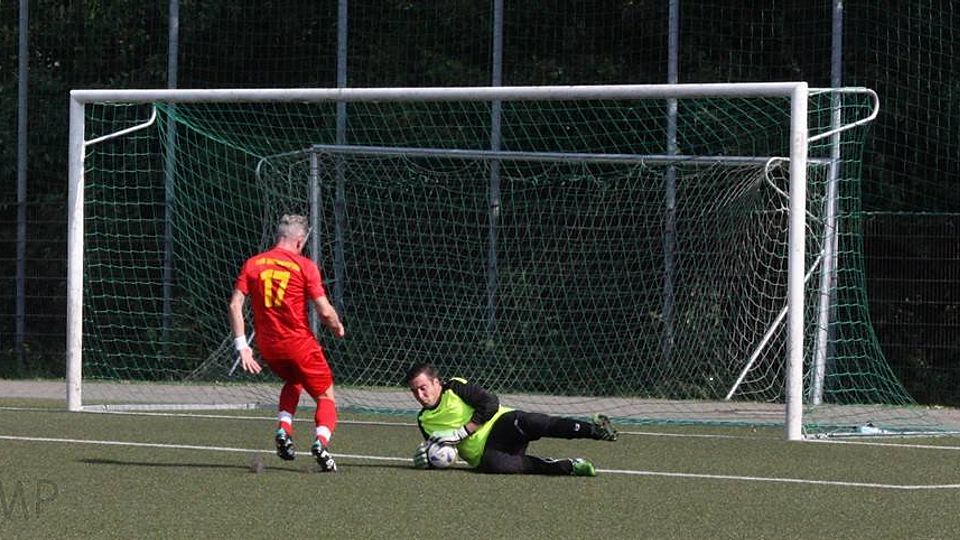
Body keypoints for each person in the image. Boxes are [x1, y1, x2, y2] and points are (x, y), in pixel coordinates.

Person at [228, 214, 345, 472]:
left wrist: (242, 346)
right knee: (326, 395)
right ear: (300, 241)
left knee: (294, 381)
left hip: (269, 348)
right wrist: (337, 326)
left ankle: (284, 428)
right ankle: (321, 444)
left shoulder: (253, 263)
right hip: (299, 345)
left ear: (278, 236)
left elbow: (235, 305)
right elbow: (325, 312)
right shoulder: (304, 266)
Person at [404, 362, 618, 476]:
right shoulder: (424, 420)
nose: (419, 395)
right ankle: (570, 466)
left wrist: (462, 432)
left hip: (501, 424)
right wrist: (426, 460)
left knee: (534, 423)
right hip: (486, 455)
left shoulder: (455, 387)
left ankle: (594, 430)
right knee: (497, 465)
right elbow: (442, 451)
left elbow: (490, 403)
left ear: (436, 382)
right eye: (414, 391)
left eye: (423, 388)